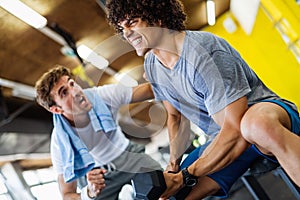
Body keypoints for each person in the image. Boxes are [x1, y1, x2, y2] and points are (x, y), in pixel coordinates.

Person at [106, 0, 300, 199]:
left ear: (157, 17)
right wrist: (173, 169)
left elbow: (235, 130)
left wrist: (188, 174)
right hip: (223, 138)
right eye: (122, 28)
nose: (127, 33)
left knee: (255, 125)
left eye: (132, 22)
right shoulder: (152, 66)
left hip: (260, 117)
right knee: (171, 195)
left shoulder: (203, 51)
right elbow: (176, 118)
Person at [35, 65, 162, 200]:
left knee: (162, 183)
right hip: (97, 175)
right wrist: (89, 193)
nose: (75, 91)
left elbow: (149, 90)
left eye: (72, 84)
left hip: (128, 155)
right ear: (56, 110)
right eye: (64, 93)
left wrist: (160, 73)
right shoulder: (60, 143)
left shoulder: (101, 96)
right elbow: (67, 194)